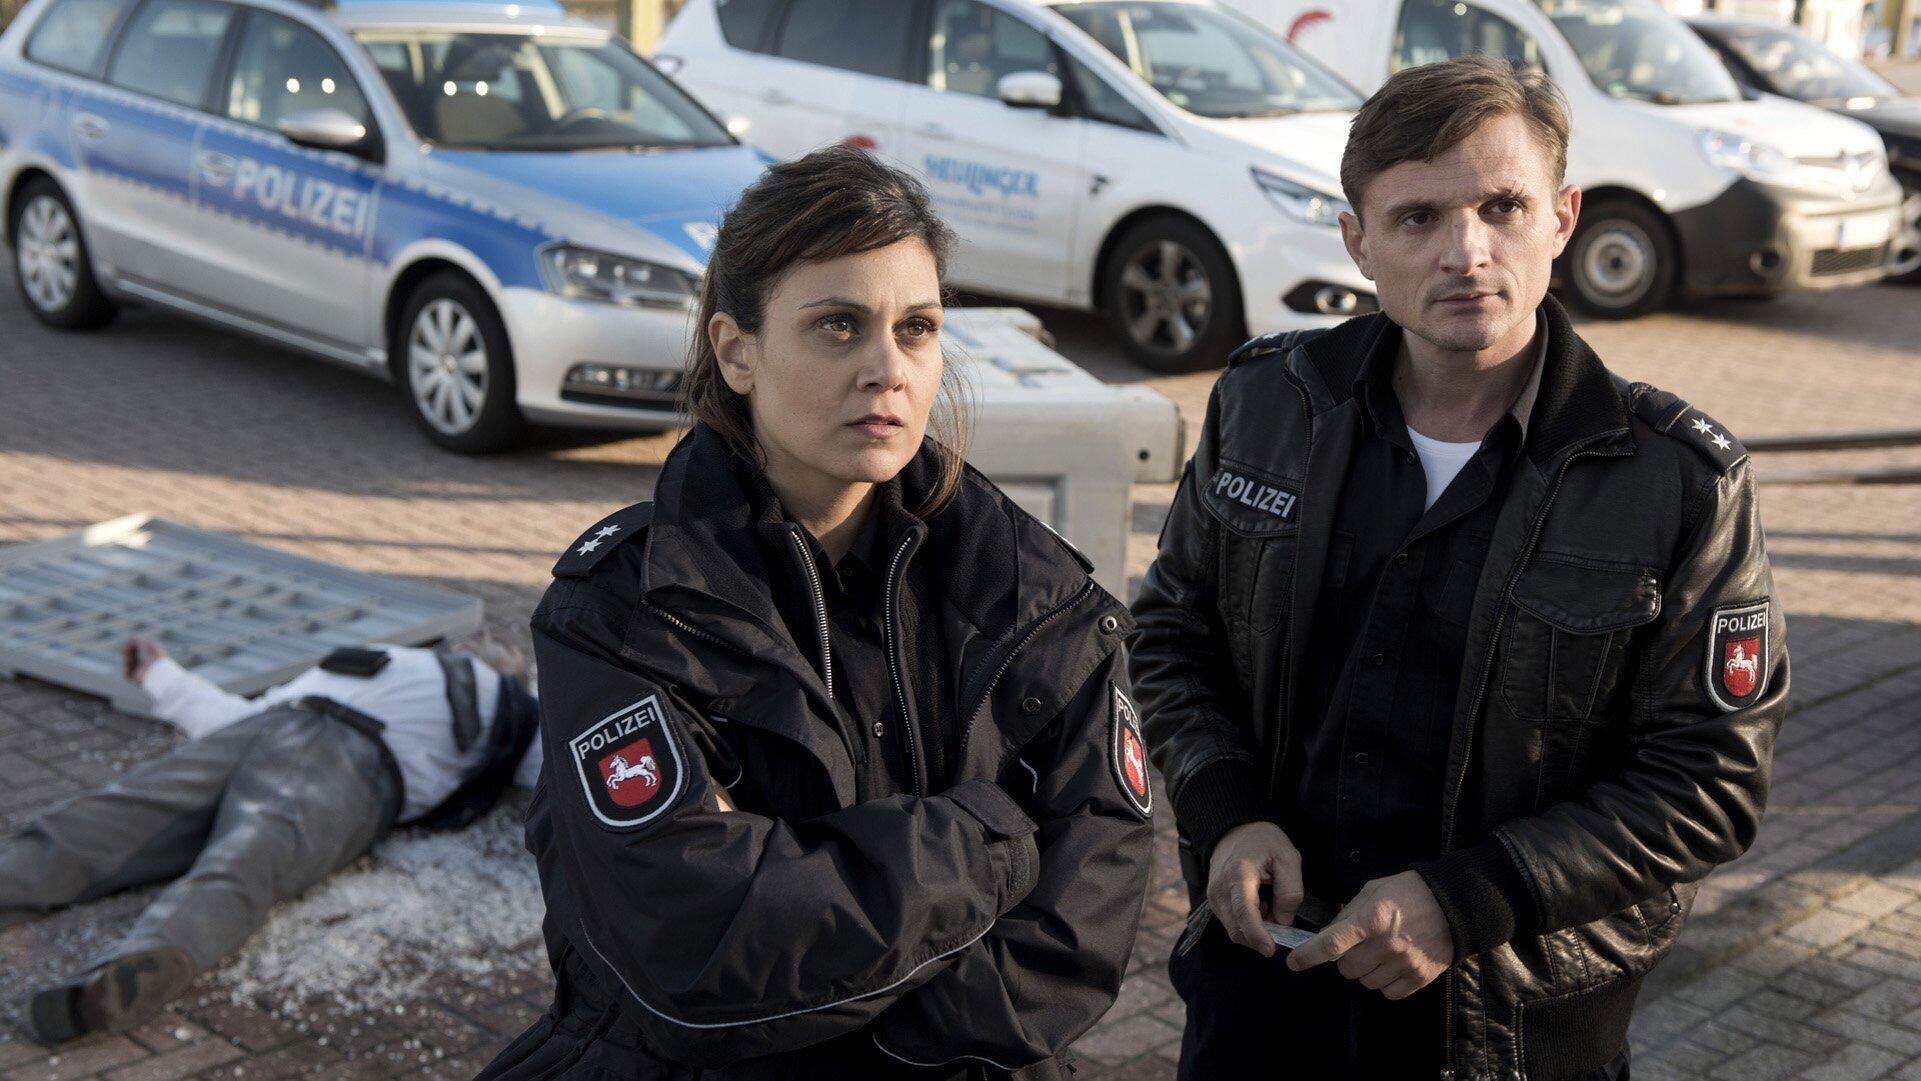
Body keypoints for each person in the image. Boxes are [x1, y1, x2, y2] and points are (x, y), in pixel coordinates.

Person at [1132, 57, 1787, 1080]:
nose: (1466, 252)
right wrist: (1225, 809)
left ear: (1562, 218)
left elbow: (1709, 777)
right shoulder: (1263, 406)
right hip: (1262, 996)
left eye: (1501, 207)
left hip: (1504, 1029)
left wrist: (1470, 897)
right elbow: (1174, 632)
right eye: (1417, 217)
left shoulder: (1677, 481)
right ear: (1357, 242)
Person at [476, 147, 1153, 1081]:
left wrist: (879, 1036)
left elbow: (1080, 927)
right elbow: (696, 938)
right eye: (838, 325)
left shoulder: (1036, 596)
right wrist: (990, 839)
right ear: (736, 350)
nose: (886, 369)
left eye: (916, 328)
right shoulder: (623, 612)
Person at [0, 630, 541, 1044]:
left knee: (251, 855)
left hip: (354, 763)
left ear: (516, 673)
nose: (483, 637)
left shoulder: (514, 707)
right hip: (261, 729)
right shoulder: (379, 658)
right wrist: (158, 672)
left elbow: (564, 759)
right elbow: (232, 714)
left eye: (503, 645)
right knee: (112, 816)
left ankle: (133, 972)